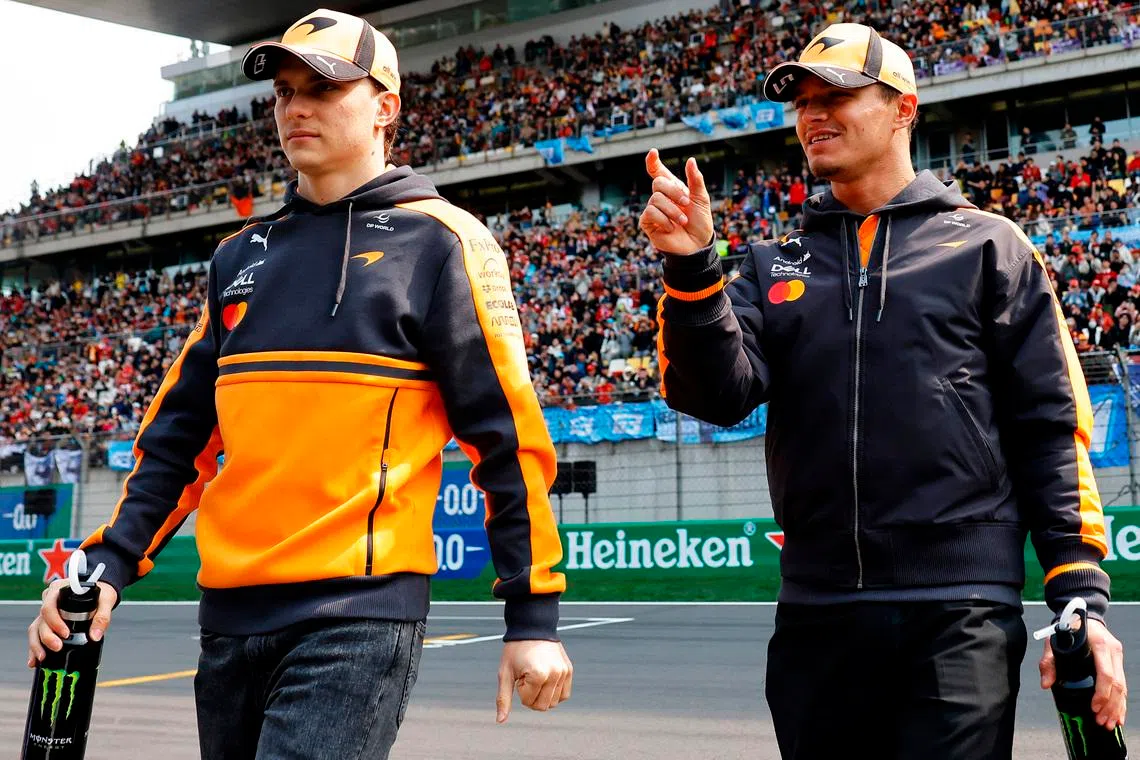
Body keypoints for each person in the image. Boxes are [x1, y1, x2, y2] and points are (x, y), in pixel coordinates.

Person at [28, 8, 572, 758]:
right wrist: (104, 568)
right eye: (283, 91)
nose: (295, 107)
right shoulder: (236, 257)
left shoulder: (444, 242)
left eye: (322, 88)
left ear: (386, 108)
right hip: (226, 621)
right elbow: (178, 442)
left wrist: (533, 618)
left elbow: (507, 440)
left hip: (358, 617)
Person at [639, 22, 1126, 759]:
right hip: (816, 612)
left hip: (958, 610)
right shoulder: (773, 265)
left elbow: (1051, 431)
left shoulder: (992, 245)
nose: (812, 114)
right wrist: (691, 271)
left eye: (835, 94)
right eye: (801, 101)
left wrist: (1081, 601)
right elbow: (714, 395)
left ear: (904, 108)